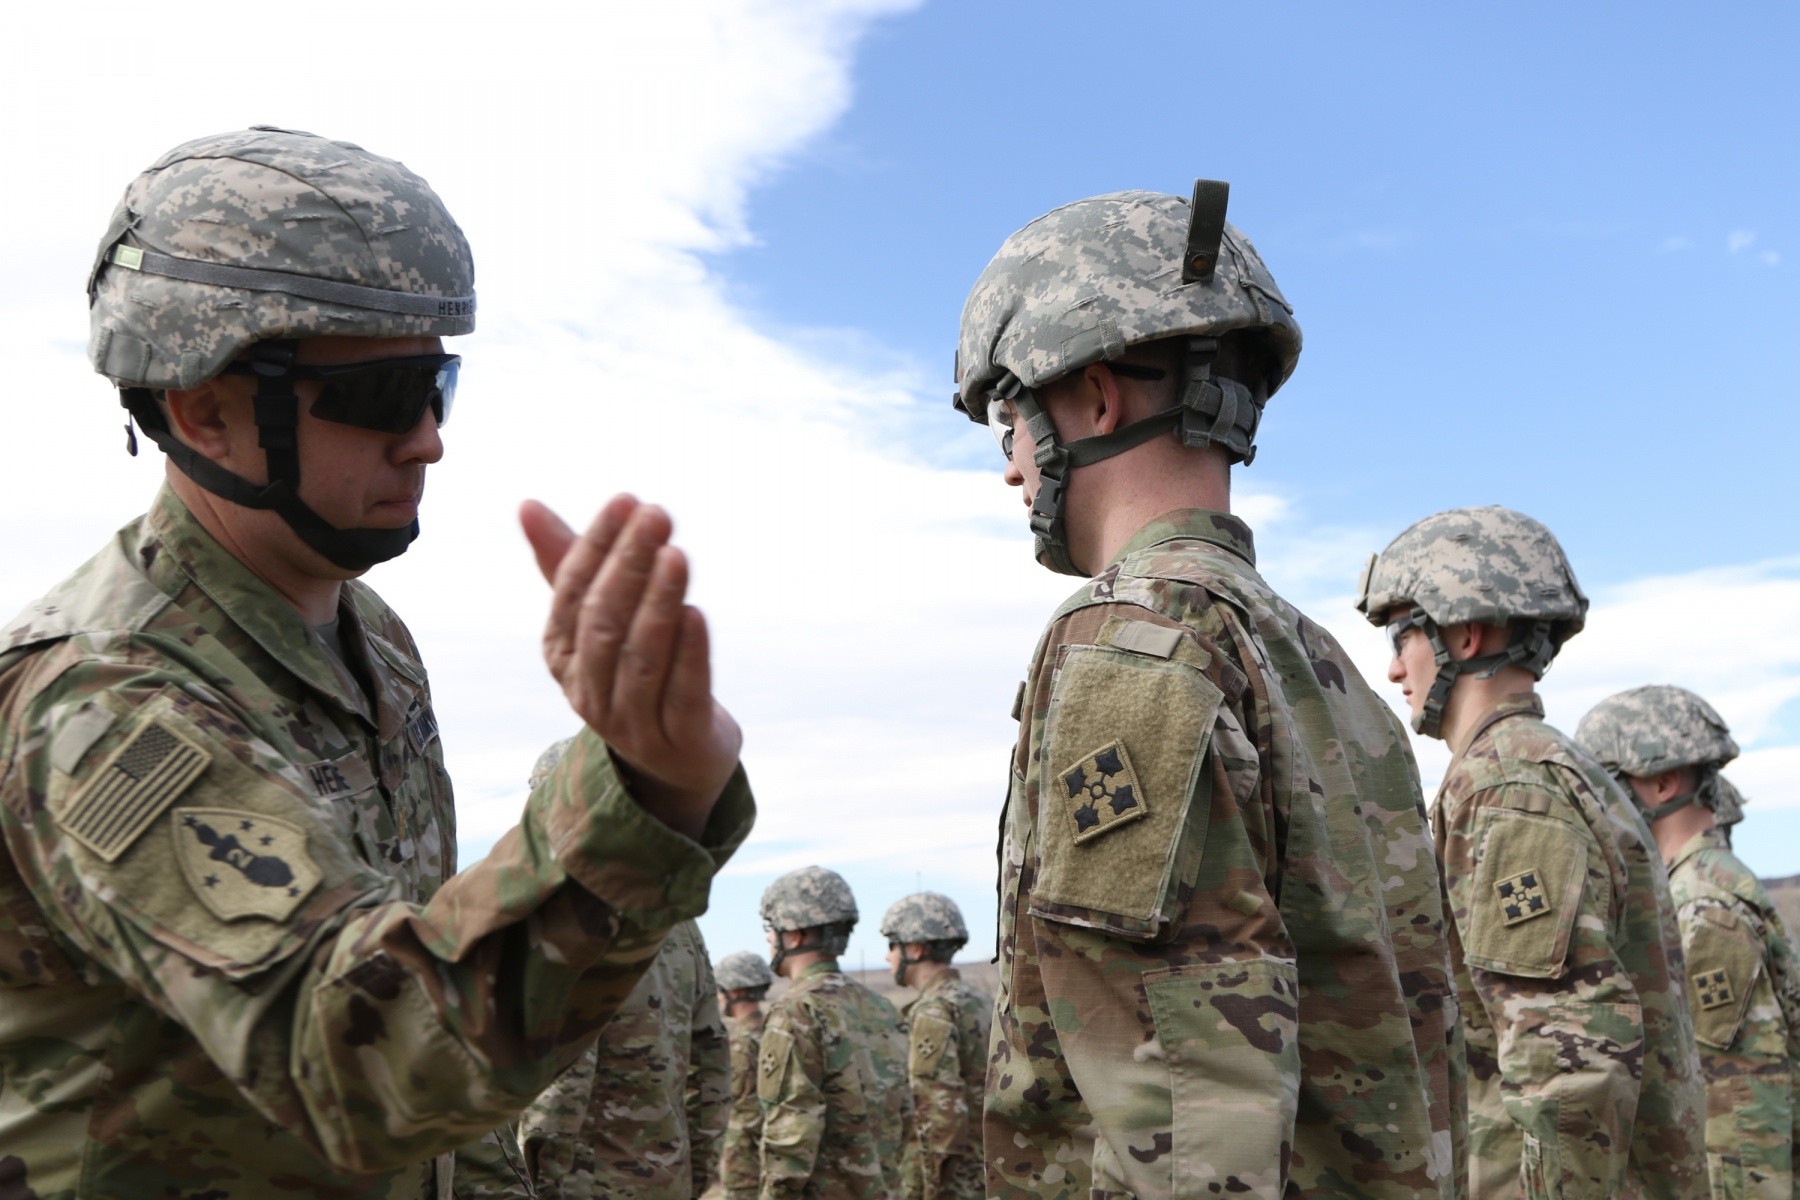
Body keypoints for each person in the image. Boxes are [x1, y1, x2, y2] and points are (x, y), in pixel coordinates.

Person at [0, 128, 753, 1199]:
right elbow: (356, 1054)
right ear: (201, 406)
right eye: (379, 397)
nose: (428, 440)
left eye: (436, 386)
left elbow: (437, 1042)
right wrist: (641, 796)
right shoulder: (102, 699)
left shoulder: (374, 643)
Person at [953, 181, 1464, 1200]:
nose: (1011, 469)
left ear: (1093, 398)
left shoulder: (1132, 641)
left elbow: (1184, 1114)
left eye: (1008, 419)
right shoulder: (1324, 669)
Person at [1357, 506, 1705, 1199]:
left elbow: (1567, 1064)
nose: (1395, 667)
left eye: (1404, 635)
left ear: (1465, 631)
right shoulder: (1545, 769)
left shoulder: (1508, 785)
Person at [1577, 686, 1800, 1197]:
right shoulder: (1692, 888)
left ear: (1662, 784)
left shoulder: (1702, 906)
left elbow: (1737, 1101)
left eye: (1607, 785)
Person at [515, 738, 731, 1200]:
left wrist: (539, 1182)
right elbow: (711, 1059)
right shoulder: (679, 921)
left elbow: (562, 1075)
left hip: (582, 1184)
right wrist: (694, 1172)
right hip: (666, 1181)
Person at [757, 866, 910, 1200]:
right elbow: (905, 1115)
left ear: (794, 934)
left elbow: (791, 1134)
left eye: (771, 929)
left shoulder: (796, 1011)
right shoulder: (881, 1007)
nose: (768, 939)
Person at [878, 892, 990, 1200]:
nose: (888, 956)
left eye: (892, 945)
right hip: (989, 1166)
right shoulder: (981, 1001)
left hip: (954, 1180)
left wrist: (921, 1189)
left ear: (915, 948)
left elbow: (939, 1114)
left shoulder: (933, 1010)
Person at [715, 949, 775, 1200]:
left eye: (721, 991)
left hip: (745, 1168)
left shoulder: (741, 1042)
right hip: (771, 1163)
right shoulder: (774, 1030)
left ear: (735, 992)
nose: (718, 998)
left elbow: (745, 1110)